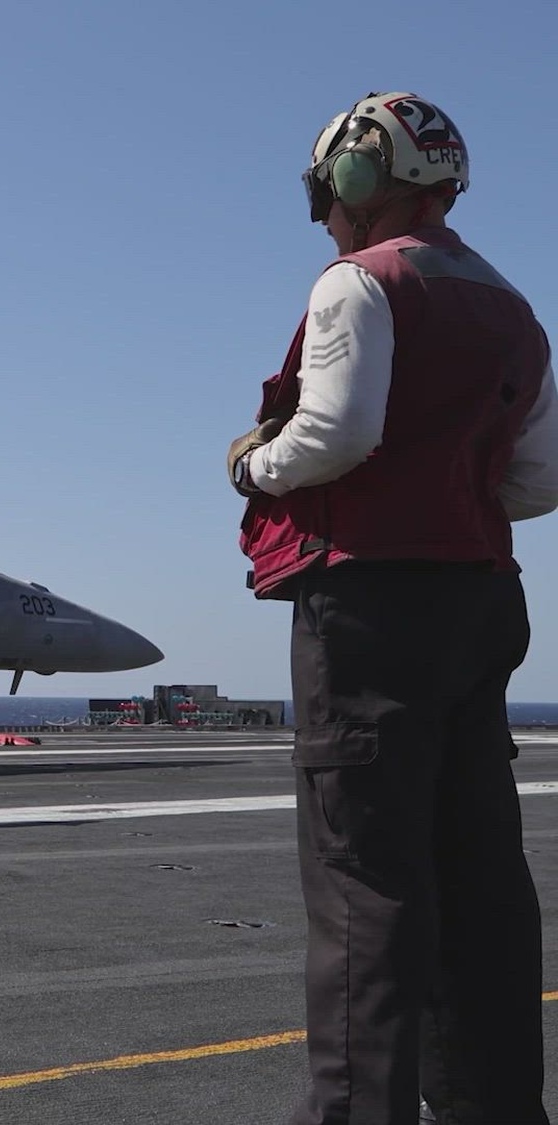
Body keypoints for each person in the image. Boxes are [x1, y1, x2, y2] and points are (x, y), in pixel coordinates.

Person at [231, 92, 558, 1124]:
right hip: (480, 600)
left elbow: (334, 435)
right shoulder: (513, 307)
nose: (325, 215)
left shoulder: (359, 282)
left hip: (368, 607)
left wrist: (254, 466)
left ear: (361, 177)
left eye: (325, 193)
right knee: (479, 880)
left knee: (363, 888)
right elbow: (537, 479)